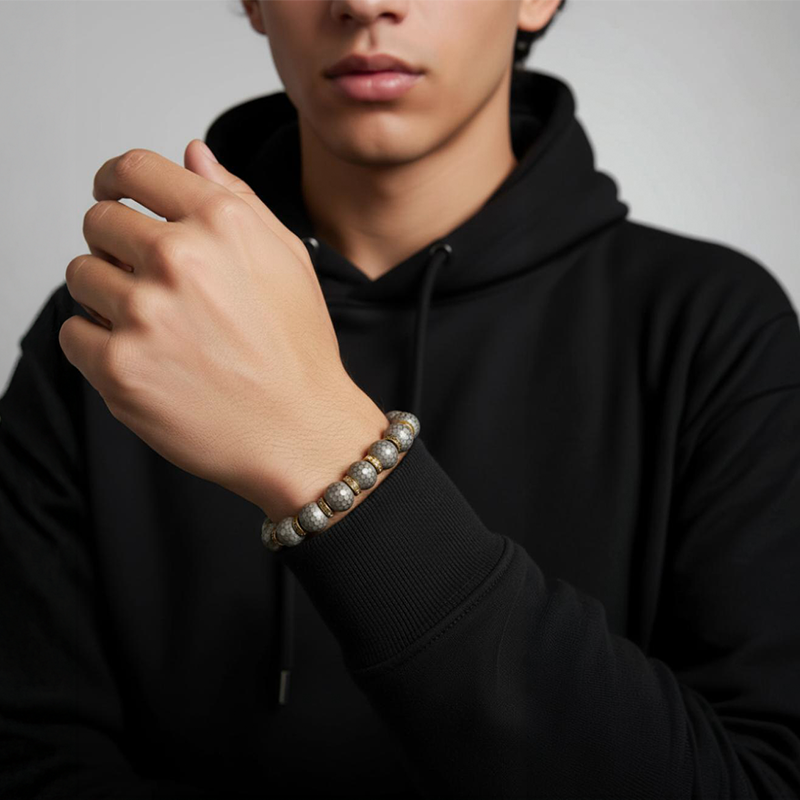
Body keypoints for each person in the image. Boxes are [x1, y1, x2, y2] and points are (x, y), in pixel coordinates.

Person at [1, 0, 799, 797]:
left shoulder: (715, 327)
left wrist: (322, 449)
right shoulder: (121, 330)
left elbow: (753, 780)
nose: (365, 4)